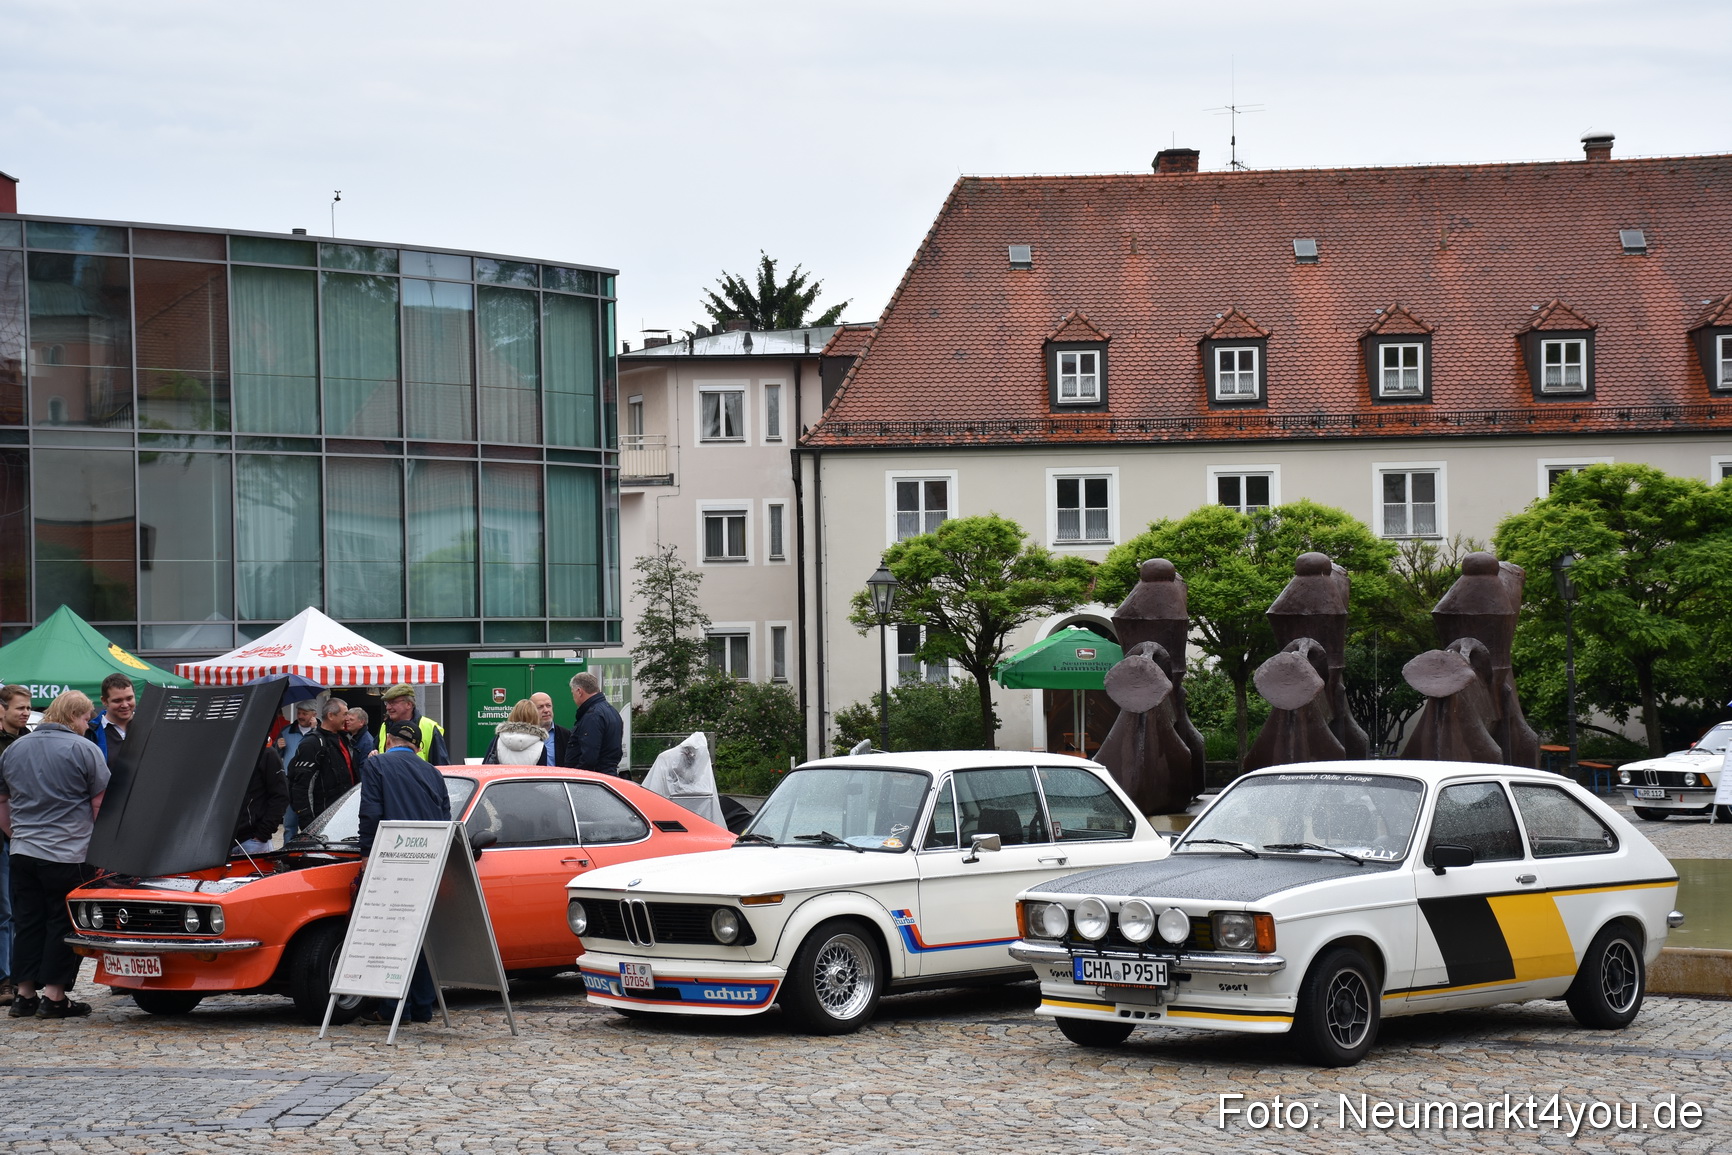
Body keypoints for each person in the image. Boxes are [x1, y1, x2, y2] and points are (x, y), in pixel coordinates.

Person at [0, 690, 110, 1019]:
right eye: (85, 717)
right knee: (61, 922)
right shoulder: (84, 749)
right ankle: (55, 997)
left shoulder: (15, 748)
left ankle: (24, 995)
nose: (87, 724)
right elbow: (99, 805)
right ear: (74, 716)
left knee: (28, 922)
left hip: (22, 852)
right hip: (68, 853)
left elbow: (2, 802)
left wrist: (15, 835)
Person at [357, 722, 453, 1025]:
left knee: (390, 935)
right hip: (427, 861)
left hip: (392, 861)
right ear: (418, 746)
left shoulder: (377, 764)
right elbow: (445, 817)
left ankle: (391, 1009)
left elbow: (371, 811)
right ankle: (422, 1008)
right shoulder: (434, 772)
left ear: (389, 741)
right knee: (418, 934)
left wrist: (366, 853)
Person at [0, 684, 29, 1007]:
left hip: (24, 838)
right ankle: (5, 978)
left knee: (20, 911)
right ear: (2, 709)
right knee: (6, 911)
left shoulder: (27, 740)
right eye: (19, 707)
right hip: (7, 837)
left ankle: (20, 976)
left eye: (27, 707)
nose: (24, 712)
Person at [286, 698, 356, 826]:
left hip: (344, 817)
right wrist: (309, 824)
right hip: (322, 821)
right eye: (344, 714)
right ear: (330, 716)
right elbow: (302, 787)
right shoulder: (312, 744)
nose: (347, 718)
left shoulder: (345, 740)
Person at [233, 739, 289, 856]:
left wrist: (262, 834)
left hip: (252, 841)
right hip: (221, 842)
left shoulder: (267, 752)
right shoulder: (226, 750)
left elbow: (280, 796)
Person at [561, 672, 623, 777]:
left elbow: (589, 758)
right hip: (608, 776)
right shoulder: (612, 711)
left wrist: (575, 777)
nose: (573, 697)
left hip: (593, 780)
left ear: (579, 691)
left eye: (573, 693)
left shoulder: (592, 716)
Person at [275, 702, 320, 842]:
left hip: (312, 784)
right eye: (299, 713)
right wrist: (278, 747)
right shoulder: (286, 731)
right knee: (289, 824)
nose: (300, 716)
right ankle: (287, 853)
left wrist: (314, 731)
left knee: (312, 825)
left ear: (314, 715)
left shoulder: (321, 731)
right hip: (291, 783)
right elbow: (276, 757)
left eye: (304, 714)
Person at [374, 685, 449, 765]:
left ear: (409, 704)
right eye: (387, 703)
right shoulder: (384, 726)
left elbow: (442, 767)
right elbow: (376, 751)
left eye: (393, 702)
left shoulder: (429, 727)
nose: (388, 707)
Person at [86, 673, 137, 766]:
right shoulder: (90, 732)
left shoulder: (150, 726)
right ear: (104, 701)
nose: (125, 705)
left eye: (129, 698)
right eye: (117, 700)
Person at [484, 700, 549, 766]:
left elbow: (485, 766)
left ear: (513, 714)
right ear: (535, 717)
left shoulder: (497, 740)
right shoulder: (541, 746)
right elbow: (541, 775)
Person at [529, 692, 570, 767]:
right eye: (540, 707)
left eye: (548, 706)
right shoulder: (525, 735)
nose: (546, 710)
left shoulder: (566, 735)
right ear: (531, 711)